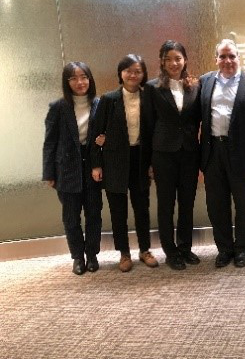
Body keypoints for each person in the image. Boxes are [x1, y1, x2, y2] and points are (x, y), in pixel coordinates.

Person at [199, 39, 245, 269]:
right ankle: (224, 249)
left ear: (238, 58)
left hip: (243, 153)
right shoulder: (205, 82)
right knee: (216, 204)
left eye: (232, 56)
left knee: (243, 203)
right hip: (213, 151)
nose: (227, 61)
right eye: (222, 56)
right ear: (216, 59)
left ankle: (241, 249)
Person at [91, 55, 159, 272]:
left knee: (142, 209)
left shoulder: (149, 97)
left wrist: (153, 163)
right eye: (128, 71)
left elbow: (155, 131)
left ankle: (145, 250)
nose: (133, 75)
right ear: (121, 73)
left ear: (143, 74)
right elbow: (96, 133)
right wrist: (96, 164)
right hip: (114, 161)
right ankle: (124, 253)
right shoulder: (108, 99)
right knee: (118, 211)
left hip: (141, 160)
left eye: (137, 71)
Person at [141, 40, 201, 270]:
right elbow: (148, 126)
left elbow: (197, 120)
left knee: (187, 203)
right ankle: (170, 251)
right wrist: (148, 162)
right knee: (166, 204)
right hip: (163, 154)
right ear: (162, 62)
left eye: (178, 58)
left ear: (185, 60)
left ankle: (185, 247)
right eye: (168, 59)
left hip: (189, 153)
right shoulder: (152, 88)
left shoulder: (194, 85)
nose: (174, 63)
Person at [42, 61, 103, 275]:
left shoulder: (99, 104)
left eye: (84, 77)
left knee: (94, 213)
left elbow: (105, 132)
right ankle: (78, 256)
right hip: (66, 168)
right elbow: (50, 142)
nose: (80, 82)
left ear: (90, 79)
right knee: (71, 217)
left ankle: (92, 254)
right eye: (74, 78)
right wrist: (49, 173)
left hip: (92, 166)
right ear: (66, 82)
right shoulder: (58, 107)